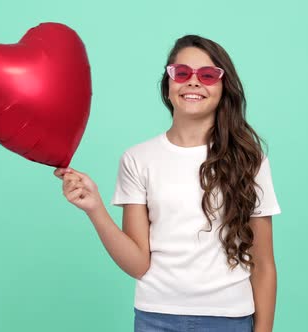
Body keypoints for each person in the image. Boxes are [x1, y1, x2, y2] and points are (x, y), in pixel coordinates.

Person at [54, 35, 282, 332]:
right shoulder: (137, 159)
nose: (193, 82)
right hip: (155, 318)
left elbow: (264, 265)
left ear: (224, 87)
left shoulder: (250, 160)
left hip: (230, 318)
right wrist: (94, 208)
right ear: (168, 83)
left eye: (209, 75)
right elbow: (138, 264)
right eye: (182, 73)